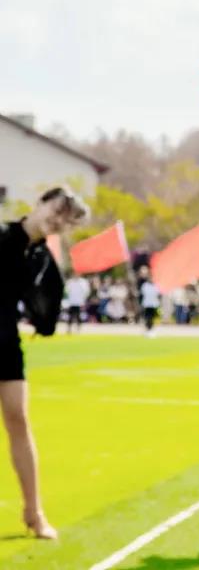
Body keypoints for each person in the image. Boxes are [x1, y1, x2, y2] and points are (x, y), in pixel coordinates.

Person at [0, 187, 89, 539]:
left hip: (6, 342)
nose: (57, 220)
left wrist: (42, 319)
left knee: (19, 420)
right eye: (56, 210)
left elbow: (47, 313)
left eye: (66, 220)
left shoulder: (44, 260)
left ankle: (34, 513)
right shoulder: (3, 234)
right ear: (39, 203)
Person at [137, 267, 161, 337]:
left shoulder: (156, 285)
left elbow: (158, 294)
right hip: (147, 304)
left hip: (154, 304)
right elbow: (142, 295)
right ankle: (148, 329)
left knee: (153, 318)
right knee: (147, 318)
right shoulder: (145, 285)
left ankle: (151, 329)